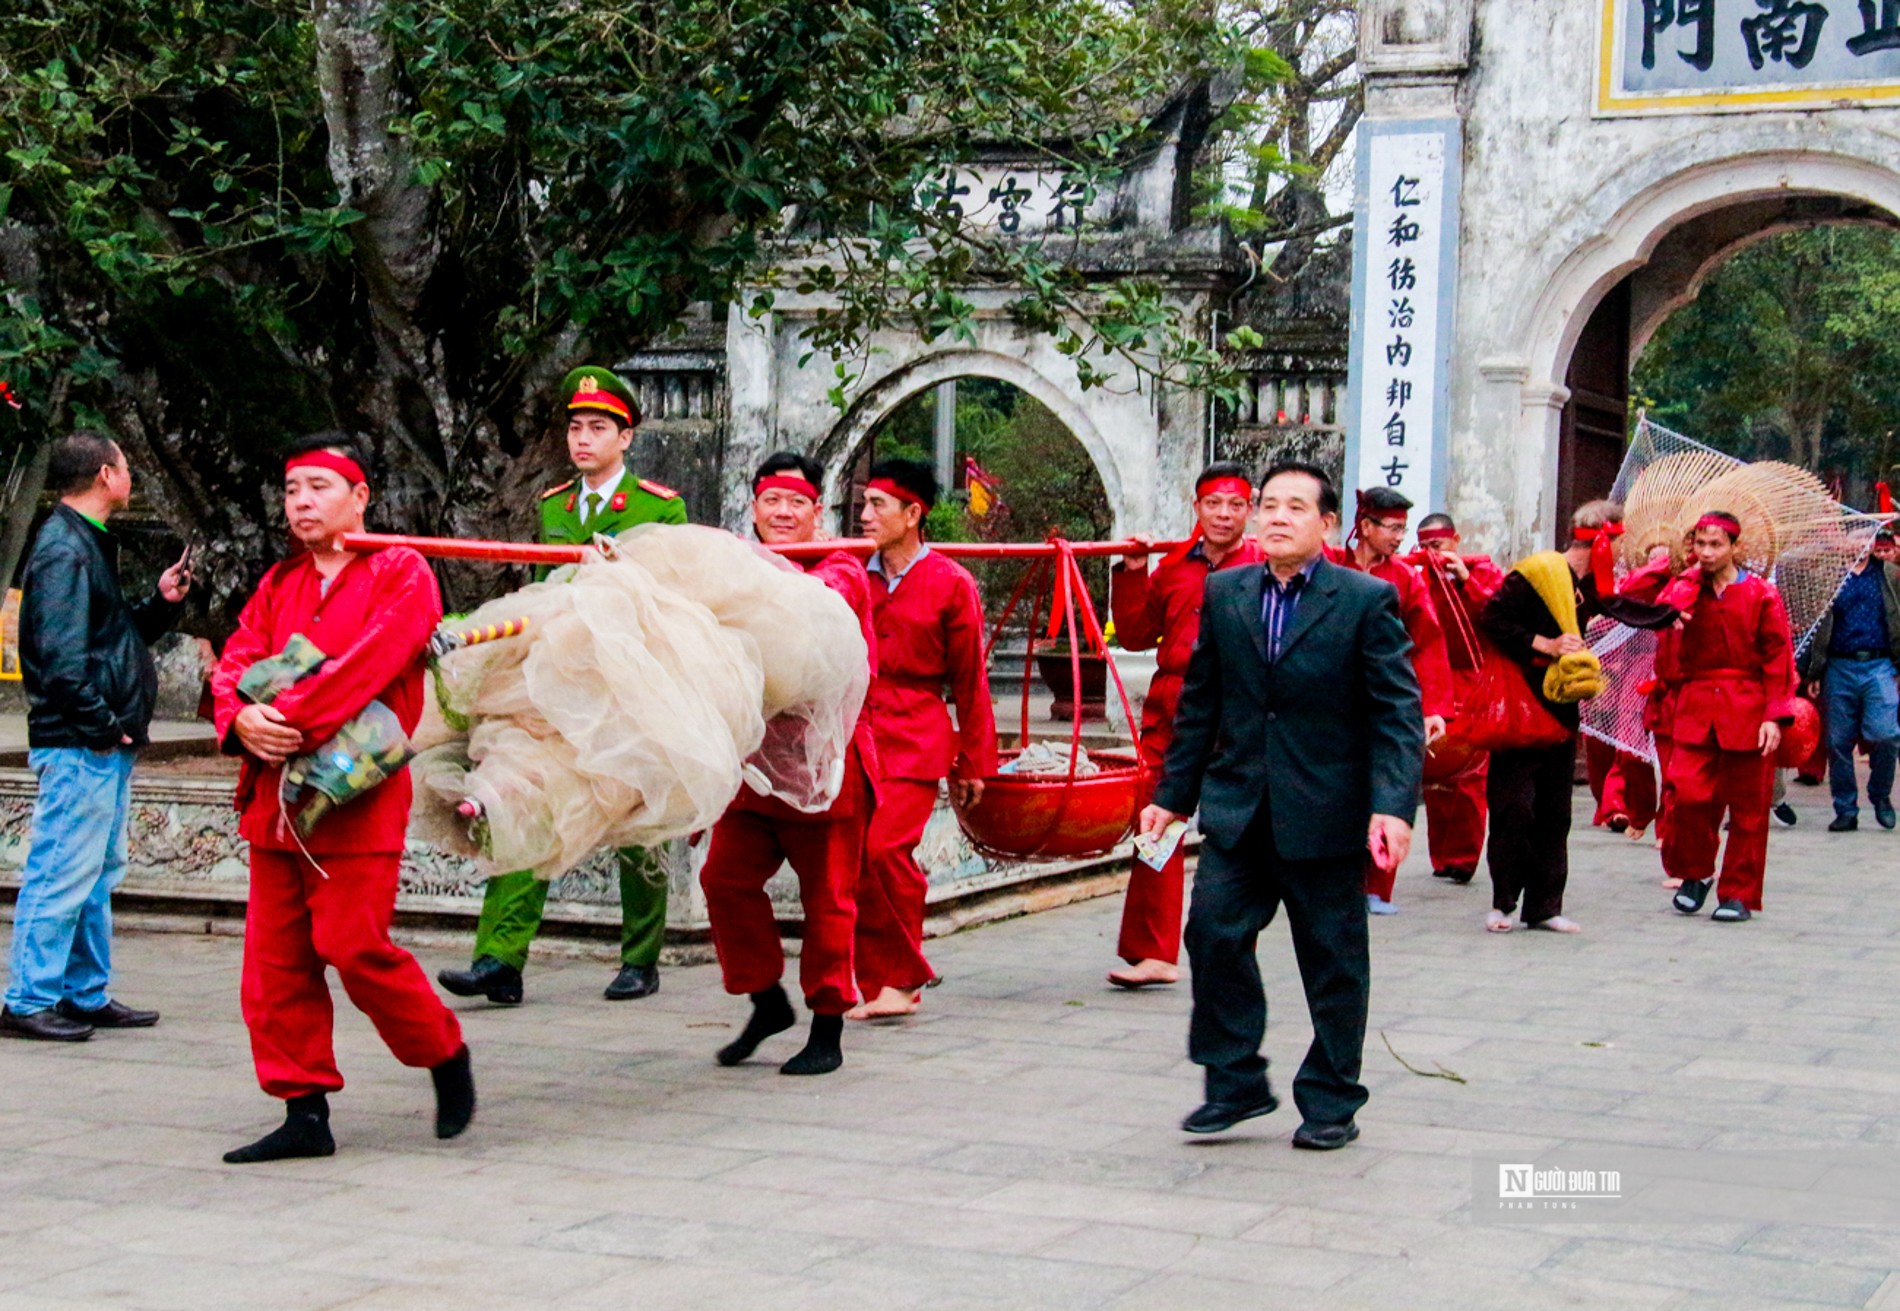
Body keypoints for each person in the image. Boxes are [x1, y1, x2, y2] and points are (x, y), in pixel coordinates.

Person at [1140, 460, 1423, 1149]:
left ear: (1326, 524)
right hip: (1239, 807)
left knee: (1332, 961)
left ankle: (1331, 1098)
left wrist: (1392, 806)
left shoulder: (1362, 600)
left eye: (1296, 507)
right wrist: (1171, 799)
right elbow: (1201, 703)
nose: (1275, 517)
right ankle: (1234, 1080)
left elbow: (1397, 711)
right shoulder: (1228, 591)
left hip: (1326, 809)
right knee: (1211, 933)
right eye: (1269, 504)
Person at [213, 435, 472, 1162]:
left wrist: (279, 715)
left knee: (354, 945)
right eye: (293, 488)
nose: (302, 501)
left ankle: (442, 1052)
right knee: (275, 963)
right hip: (275, 798)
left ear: (361, 498)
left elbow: (367, 668)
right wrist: (238, 715)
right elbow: (236, 660)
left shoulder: (402, 571)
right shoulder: (279, 582)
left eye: (320, 486)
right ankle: (303, 1109)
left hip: (354, 795)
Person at [440, 367, 689, 1006]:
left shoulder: (660, 506)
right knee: (525, 798)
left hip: (626, 679)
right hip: (553, 676)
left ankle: (641, 956)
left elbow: (677, 597)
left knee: (639, 815)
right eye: (576, 427)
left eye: (598, 428)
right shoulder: (552, 505)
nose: (583, 439)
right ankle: (500, 959)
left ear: (625, 437)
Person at [2, 433, 191, 1042]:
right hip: (81, 742)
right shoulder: (65, 549)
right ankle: (28, 999)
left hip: (97, 740)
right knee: (62, 868)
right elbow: (60, 662)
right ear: (107, 475)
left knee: (94, 869)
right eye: (127, 467)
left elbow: (110, 639)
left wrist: (159, 604)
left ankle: (81, 991)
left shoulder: (83, 544)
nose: (130, 476)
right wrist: (104, 728)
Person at [699, 452, 879, 1076]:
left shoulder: (842, 571)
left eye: (796, 503)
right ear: (753, 508)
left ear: (816, 514)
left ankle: (827, 1026)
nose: (782, 512)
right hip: (754, 766)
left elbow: (805, 607)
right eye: (772, 500)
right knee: (723, 880)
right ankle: (765, 998)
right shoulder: (736, 567)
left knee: (829, 899)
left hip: (827, 767)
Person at [1478, 501, 1678, 934]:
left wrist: (1672, 615)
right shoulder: (1536, 573)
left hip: (1561, 704)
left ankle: (1545, 906)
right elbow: (1491, 618)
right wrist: (1543, 644)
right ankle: (1503, 903)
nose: (1623, 552)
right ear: (1602, 541)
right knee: (1513, 806)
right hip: (1521, 703)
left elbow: (1621, 608)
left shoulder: (1592, 585)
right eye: (1619, 542)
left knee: (1555, 809)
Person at [1106, 462, 1263, 987]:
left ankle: (1231, 940)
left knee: (1235, 828)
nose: (1223, 514)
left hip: (1238, 709)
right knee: (1156, 822)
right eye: (1213, 503)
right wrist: (1129, 572)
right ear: (1195, 507)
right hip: (1171, 708)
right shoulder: (1173, 568)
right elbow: (1132, 635)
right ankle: (1154, 952)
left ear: (1250, 510)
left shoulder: (1267, 567)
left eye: (1235, 505)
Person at [849, 458, 996, 1019]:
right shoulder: (851, 572)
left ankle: (901, 977)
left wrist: (974, 761)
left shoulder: (950, 583)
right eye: (863, 504)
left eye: (877, 505)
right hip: (854, 732)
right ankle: (880, 984)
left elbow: (969, 680)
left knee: (885, 848)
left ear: (914, 514)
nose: (865, 515)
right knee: (856, 858)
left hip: (914, 735)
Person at [1656, 513, 1795, 922]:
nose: (1707, 552)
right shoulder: (1684, 589)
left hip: (1748, 705)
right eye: (1700, 544)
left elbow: (1777, 657)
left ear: (1734, 546)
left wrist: (1775, 714)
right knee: (1687, 794)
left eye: (1716, 545)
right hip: (1696, 702)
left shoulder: (1761, 593)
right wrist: (1685, 579)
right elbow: (1647, 609)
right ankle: (1695, 872)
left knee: (1749, 807)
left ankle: (1738, 891)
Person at [1330, 487, 1453, 913]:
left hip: (1383, 698)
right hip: (1334, 699)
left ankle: (1377, 886)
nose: (1400, 537)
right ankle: (1341, 878)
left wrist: (1432, 707)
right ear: (1364, 527)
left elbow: (1428, 642)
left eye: (1403, 528)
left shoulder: (1405, 578)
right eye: (1393, 527)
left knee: (1385, 783)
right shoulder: (1329, 566)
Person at [1408, 512, 1505, 884]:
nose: (1432, 552)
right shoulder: (1415, 577)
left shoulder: (1483, 574)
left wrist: (1467, 583)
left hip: (1473, 680)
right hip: (1431, 681)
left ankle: (1464, 857)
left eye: (1438, 545)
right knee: (1436, 772)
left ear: (1455, 541)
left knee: (1469, 774)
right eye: (1425, 545)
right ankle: (1441, 855)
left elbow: (1497, 617)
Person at [1799, 529, 1900, 833]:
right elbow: (1817, 625)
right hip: (1839, 665)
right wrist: (1814, 671)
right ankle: (1845, 808)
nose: (1860, 546)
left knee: (1886, 734)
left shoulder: (1890, 574)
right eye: (1854, 540)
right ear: (1842, 543)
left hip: (1879, 663)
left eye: (1865, 540)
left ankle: (1880, 796)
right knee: (1838, 741)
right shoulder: (1827, 577)